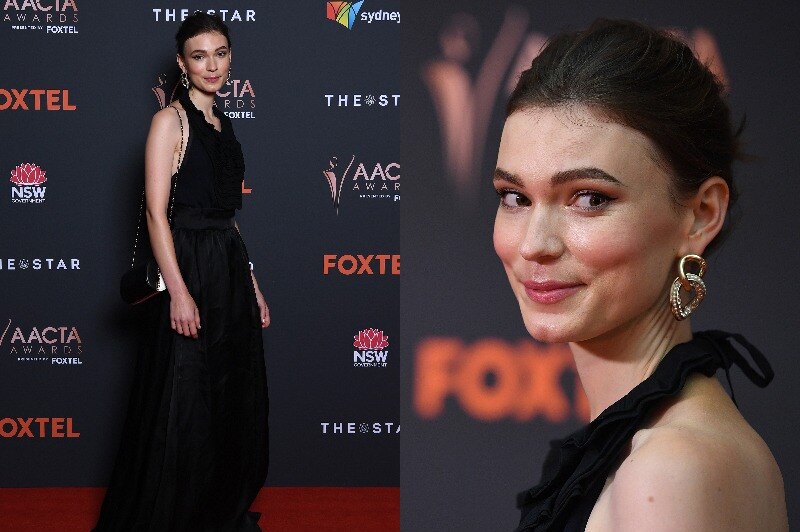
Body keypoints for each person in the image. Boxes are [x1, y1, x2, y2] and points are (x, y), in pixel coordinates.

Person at [492, 19, 788, 531]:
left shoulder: (670, 470)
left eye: (589, 198)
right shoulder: (656, 448)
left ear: (700, 215)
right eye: (515, 198)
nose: (533, 245)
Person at [94, 12, 270, 531]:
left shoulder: (224, 123)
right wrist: (177, 291)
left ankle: (216, 512)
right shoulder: (169, 121)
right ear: (182, 63)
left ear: (230, 59)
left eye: (220, 53)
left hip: (229, 272)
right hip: (188, 267)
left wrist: (253, 285)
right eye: (199, 55)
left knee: (227, 396)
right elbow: (155, 212)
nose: (211, 65)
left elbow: (227, 217)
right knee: (185, 400)